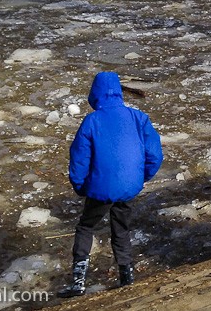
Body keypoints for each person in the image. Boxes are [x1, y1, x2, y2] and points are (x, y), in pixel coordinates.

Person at [57, 71, 164, 298]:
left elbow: (79, 159)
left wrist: (80, 187)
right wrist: (139, 177)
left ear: (95, 93)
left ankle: (78, 282)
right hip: (128, 187)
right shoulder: (138, 118)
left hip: (100, 188)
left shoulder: (91, 121)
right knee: (121, 230)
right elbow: (154, 155)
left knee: (86, 226)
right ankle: (126, 277)